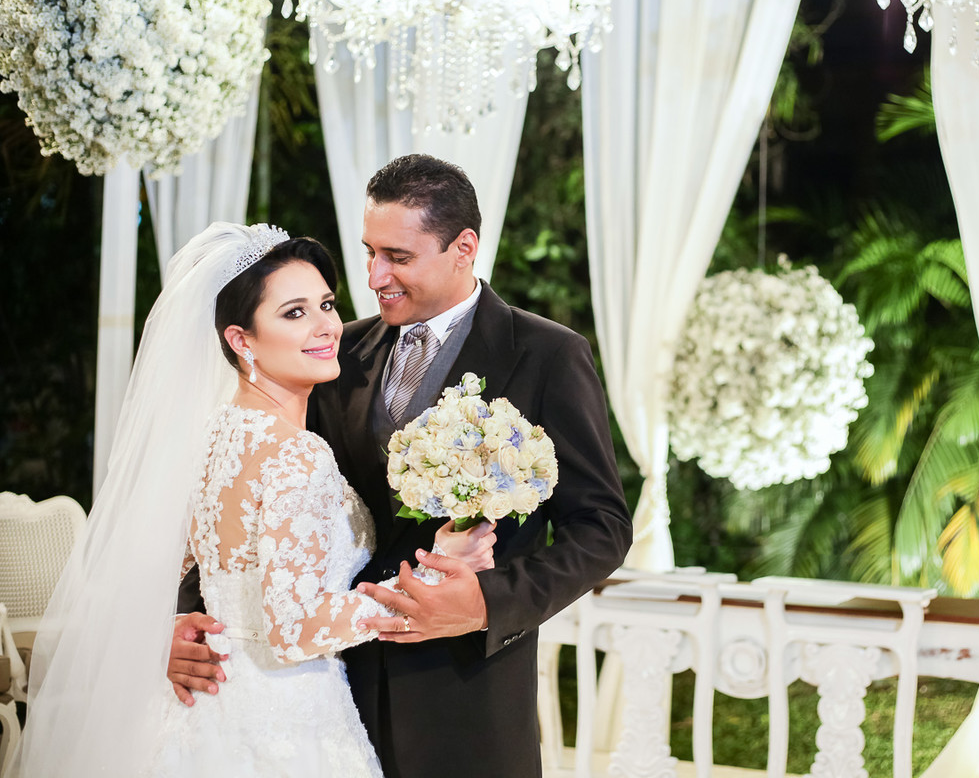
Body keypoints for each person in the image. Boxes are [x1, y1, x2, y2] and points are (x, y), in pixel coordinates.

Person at [171, 154, 633, 777]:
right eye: (369, 252)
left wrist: (486, 604)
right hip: (328, 688)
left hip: (467, 694)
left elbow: (602, 528)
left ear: (463, 248)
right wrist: (190, 621)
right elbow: (251, 506)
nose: (374, 275)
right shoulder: (335, 354)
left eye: (398, 256)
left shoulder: (549, 355)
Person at [15, 223, 493, 777]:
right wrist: (433, 577)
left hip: (201, 709)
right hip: (284, 720)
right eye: (294, 313)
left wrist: (160, 632)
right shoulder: (296, 454)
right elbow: (297, 631)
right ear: (242, 340)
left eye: (327, 304)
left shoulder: (207, 437)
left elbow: (145, 578)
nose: (326, 327)